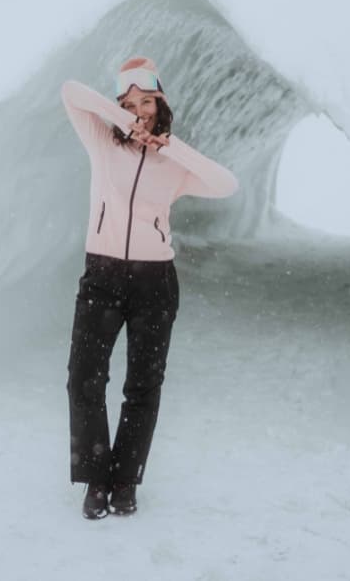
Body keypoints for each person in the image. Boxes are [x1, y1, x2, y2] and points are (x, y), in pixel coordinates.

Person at [60, 57, 238, 520]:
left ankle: (124, 482)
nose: (138, 110)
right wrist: (121, 120)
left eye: (146, 101)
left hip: (154, 281)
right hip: (101, 275)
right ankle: (96, 480)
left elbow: (226, 184)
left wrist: (169, 146)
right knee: (84, 377)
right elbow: (72, 90)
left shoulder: (173, 165)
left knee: (142, 385)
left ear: (161, 103)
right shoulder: (102, 142)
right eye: (129, 103)